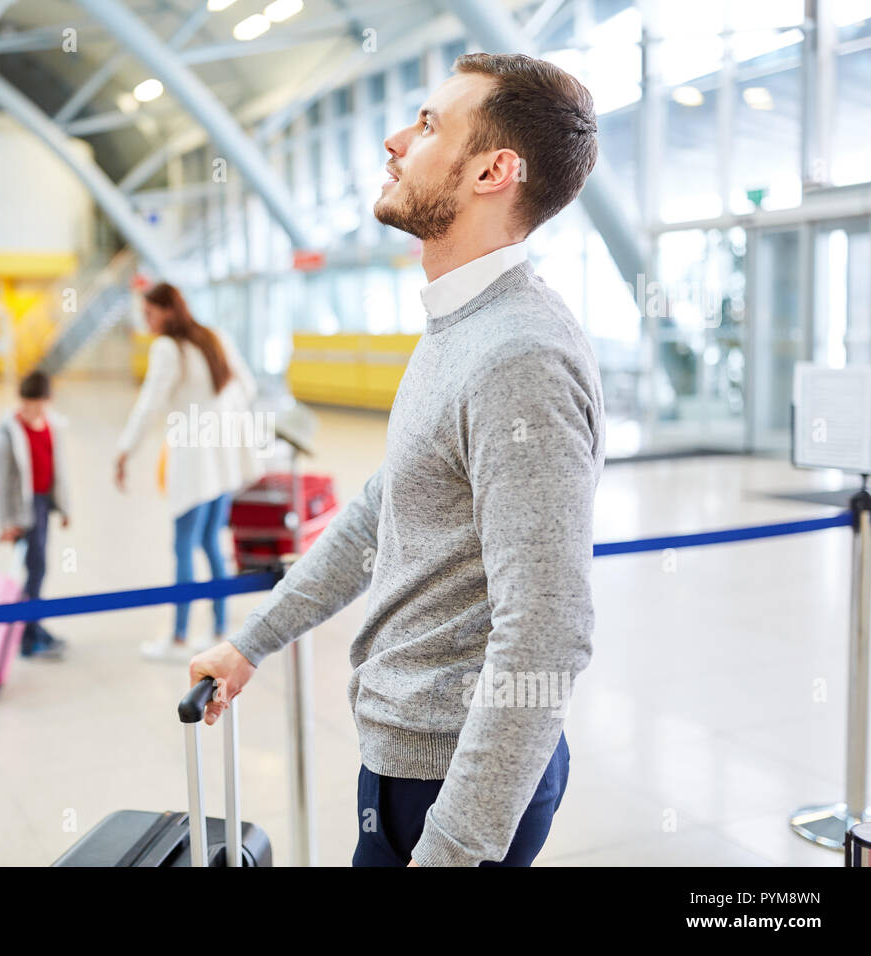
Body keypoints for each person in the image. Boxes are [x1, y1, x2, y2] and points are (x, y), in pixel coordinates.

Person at [188, 53, 606, 867]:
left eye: (425, 126)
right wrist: (253, 641)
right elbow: (387, 510)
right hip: (405, 756)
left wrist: (453, 846)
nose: (392, 141)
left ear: (494, 170)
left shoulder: (519, 356)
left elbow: (548, 631)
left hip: (457, 785)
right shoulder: (460, 323)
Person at [114, 282, 261, 662]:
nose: (146, 321)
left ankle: (178, 638)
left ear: (167, 311)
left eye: (149, 313)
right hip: (223, 458)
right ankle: (218, 628)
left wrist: (125, 450)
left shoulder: (168, 347)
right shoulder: (214, 337)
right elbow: (246, 386)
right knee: (211, 542)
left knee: (181, 546)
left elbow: (149, 403)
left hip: (194, 462)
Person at [0, 370, 71, 660]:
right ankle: (28, 633)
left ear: (47, 401)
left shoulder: (51, 426)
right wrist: (6, 523)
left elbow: (58, 469)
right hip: (22, 511)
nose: (29, 410)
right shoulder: (8, 434)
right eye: (25, 404)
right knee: (36, 570)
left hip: (42, 505)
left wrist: (64, 508)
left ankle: (33, 625)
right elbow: (0, 483)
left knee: (39, 569)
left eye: (35, 404)